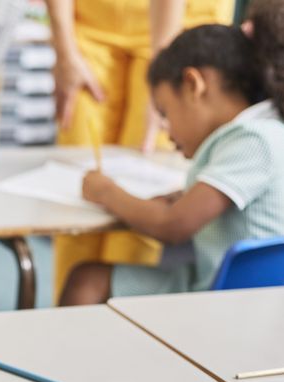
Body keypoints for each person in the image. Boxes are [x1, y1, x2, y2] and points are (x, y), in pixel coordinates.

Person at [60, 0, 284, 304]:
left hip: (243, 302)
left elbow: (172, 226)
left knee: (87, 280)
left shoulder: (254, 140)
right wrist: (184, 196)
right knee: (89, 277)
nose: (165, 128)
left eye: (165, 111)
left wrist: (106, 192)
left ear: (193, 85)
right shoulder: (267, 131)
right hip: (253, 292)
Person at [45, 0, 235, 301]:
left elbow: (170, 224)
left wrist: (162, 78)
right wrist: (64, 49)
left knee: (147, 186)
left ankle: (126, 325)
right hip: (95, 24)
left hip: (179, 26)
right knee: (77, 197)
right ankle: (72, 327)